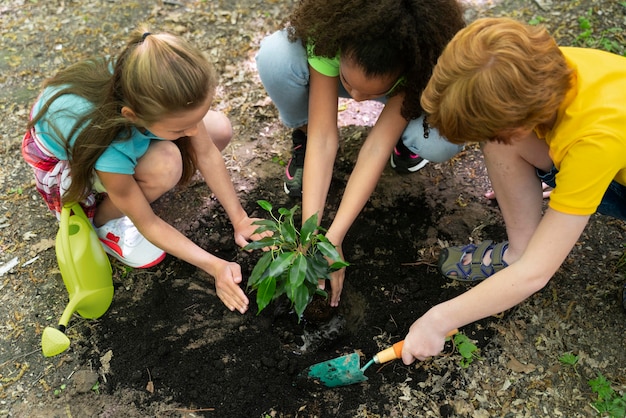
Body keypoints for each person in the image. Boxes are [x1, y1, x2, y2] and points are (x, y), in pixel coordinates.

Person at [401, 17, 626, 364]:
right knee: (503, 144)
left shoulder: (595, 138)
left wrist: (437, 321)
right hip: (608, 157)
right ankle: (518, 252)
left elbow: (538, 273)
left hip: (606, 156)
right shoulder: (534, 70)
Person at [22, 27, 268, 314]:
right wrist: (214, 266)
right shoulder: (109, 143)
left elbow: (206, 151)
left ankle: (139, 182)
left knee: (220, 130)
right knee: (166, 165)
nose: (192, 131)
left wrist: (240, 218)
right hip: (70, 156)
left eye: (196, 118)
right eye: (180, 127)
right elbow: (149, 223)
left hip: (127, 128)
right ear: (134, 115)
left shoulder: (156, 87)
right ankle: (104, 222)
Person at [255, 0, 465, 307]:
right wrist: (311, 235)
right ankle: (301, 130)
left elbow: (374, 148)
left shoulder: (419, 58)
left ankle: (407, 141)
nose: (355, 99)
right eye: (348, 86)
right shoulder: (330, 38)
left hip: (409, 85)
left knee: (442, 140)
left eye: (367, 94)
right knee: (276, 56)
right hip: (342, 64)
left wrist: (335, 236)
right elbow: (324, 137)